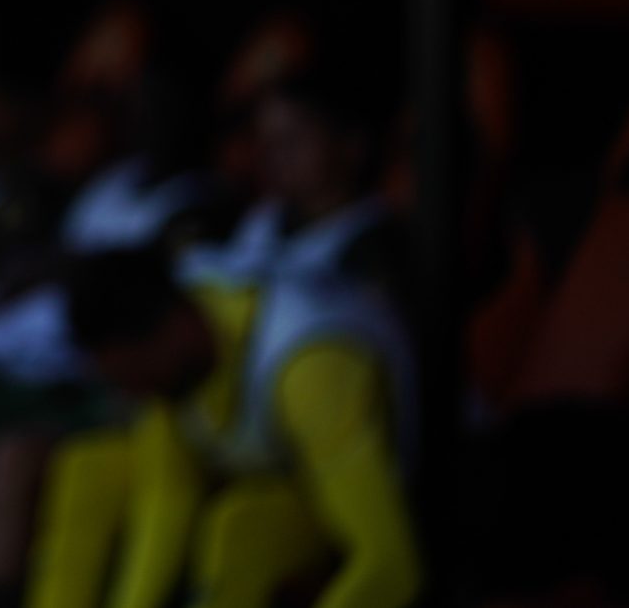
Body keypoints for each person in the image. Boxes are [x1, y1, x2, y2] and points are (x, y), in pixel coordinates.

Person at [25, 247, 419, 608]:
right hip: (270, 467)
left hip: (360, 486)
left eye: (136, 379)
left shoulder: (307, 367)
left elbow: (392, 564)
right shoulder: (177, 358)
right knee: (86, 467)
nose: (135, 397)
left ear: (172, 327)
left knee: (238, 527)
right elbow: (165, 503)